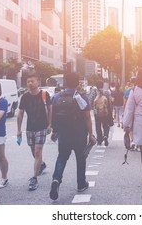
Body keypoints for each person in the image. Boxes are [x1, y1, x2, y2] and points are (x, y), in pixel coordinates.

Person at [49, 72, 96, 200]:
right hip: (79, 134)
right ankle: (81, 184)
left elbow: (53, 116)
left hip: (63, 134)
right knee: (81, 159)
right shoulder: (81, 97)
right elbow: (87, 117)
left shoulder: (57, 97)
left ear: (65, 83)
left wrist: (54, 131)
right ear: (78, 83)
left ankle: (56, 179)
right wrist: (91, 135)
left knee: (62, 158)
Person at [17, 71, 52, 191]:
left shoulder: (44, 94)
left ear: (38, 82)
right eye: (28, 81)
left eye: (32, 81)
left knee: (37, 152)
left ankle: (34, 178)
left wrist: (50, 125)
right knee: (34, 152)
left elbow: (50, 109)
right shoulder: (25, 97)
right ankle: (41, 164)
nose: (30, 83)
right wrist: (18, 129)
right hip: (30, 128)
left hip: (41, 127)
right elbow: (20, 113)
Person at [89, 80, 111, 146]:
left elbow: (90, 101)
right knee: (106, 125)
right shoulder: (106, 92)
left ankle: (99, 140)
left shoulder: (94, 92)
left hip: (97, 112)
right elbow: (109, 102)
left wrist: (92, 108)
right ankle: (106, 135)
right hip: (105, 112)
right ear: (102, 85)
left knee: (98, 126)